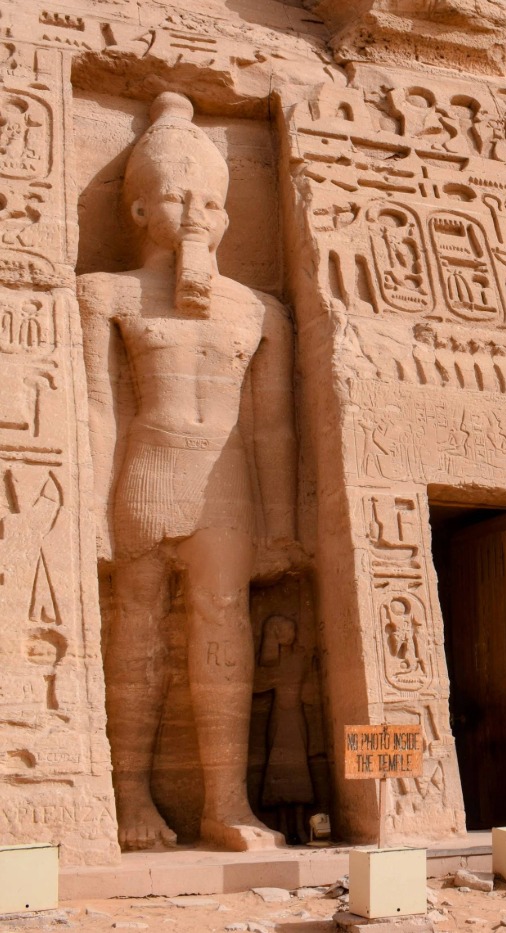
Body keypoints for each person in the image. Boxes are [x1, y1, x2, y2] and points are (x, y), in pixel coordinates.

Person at [81, 92, 299, 851]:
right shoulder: (105, 294)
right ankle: (129, 794)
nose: (197, 213)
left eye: (211, 199)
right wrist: (89, 509)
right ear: (138, 212)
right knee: (135, 626)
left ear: (231, 216)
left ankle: (226, 801)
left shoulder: (258, 311)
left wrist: (282, 524)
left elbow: (272, 428)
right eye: (177, 197)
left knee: (222, 626)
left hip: (227, 482)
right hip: (146, 471)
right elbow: (98, 409)